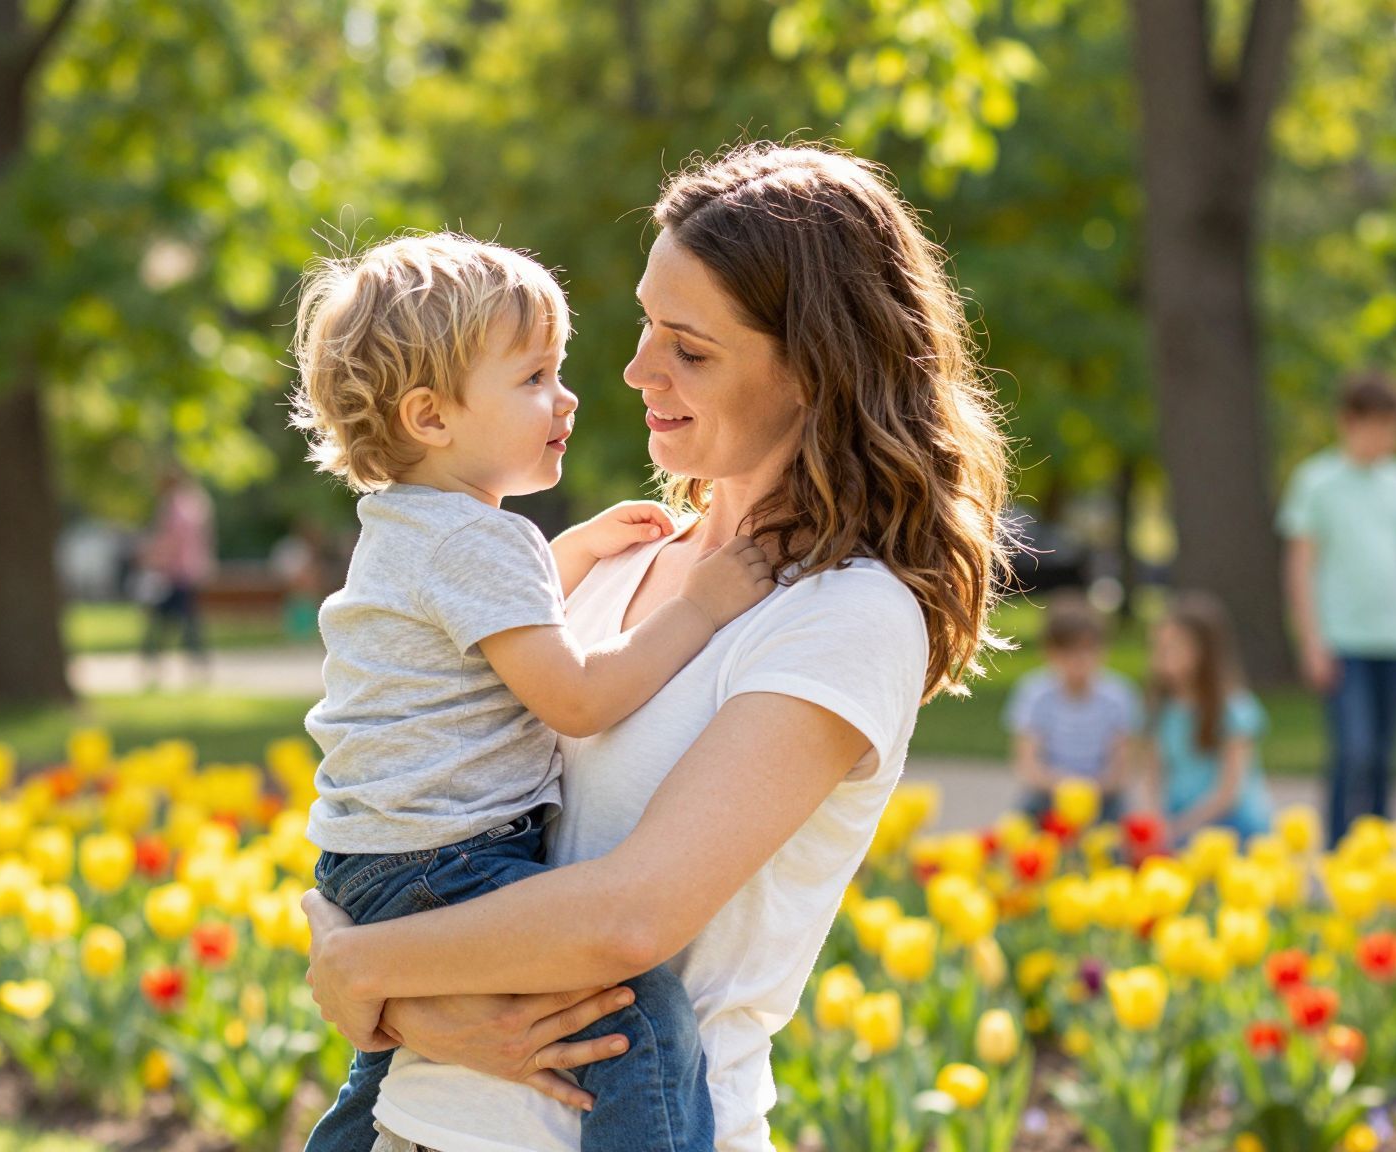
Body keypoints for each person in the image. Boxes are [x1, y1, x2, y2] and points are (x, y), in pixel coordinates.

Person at [297, 142, 1009, 1152]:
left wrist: (363, 969)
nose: (634, 371)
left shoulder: (840, 616)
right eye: (644, 324)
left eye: (690, 347)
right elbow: (418, 799)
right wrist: (383, 988)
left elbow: (627, 922)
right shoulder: (610, 565)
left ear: (813, 371)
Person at [288, 232, 784, 1152]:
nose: (569, 398)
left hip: (375, 865)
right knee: (634, 1016)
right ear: (432, 416)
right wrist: (703, 608)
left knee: (383, 1068)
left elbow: (471, 643)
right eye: (534, 379)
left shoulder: (410, 525)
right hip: (448, 860)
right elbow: (578, 697)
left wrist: (573, 552)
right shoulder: (480, 542)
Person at [1278, 368, 1396, 847]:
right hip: (1343, 639)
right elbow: (1301, 568)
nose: (1386, 437)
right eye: (1378, 425)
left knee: (1386, 757)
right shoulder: (1316, 481)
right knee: (1354, 751)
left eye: (1394, 427)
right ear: (1349, 421)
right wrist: (1311, 640)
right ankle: (1338, 852)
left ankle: (1379, 853)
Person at [1004, 592, 1140, 825]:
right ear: (1049, 652)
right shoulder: (1034, 694)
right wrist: (1065, 787)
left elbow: (1121, 767)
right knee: (1020, 822)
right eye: (1068, 651)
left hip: (1103, 797)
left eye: (1087, 649)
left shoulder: (1119, 696)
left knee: (1123, 823)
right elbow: (1027, 764)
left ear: (1102, 649)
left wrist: (1091, 790)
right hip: (1048, 795)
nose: (1079, 660)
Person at [1146, 592, 1273, 843]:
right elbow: (1154, 777)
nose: (1161, 656)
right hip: (1179, 814)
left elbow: (1229, 793)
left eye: (1172, 648)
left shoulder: (1234, 710)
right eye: (1157, 647)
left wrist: (1180, 828)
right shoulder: (1160, 708)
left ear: (1205, 652)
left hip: (1232, 819)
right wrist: (1157, 823)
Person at [139, 462, 217, 689]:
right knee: (185, 623)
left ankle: (154, 665)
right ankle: (195, 666)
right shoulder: (195, 503)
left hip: (175, 574)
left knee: (165, 622)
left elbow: (171, 542)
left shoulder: (176, 507)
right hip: (189, 573)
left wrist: (151, 558)